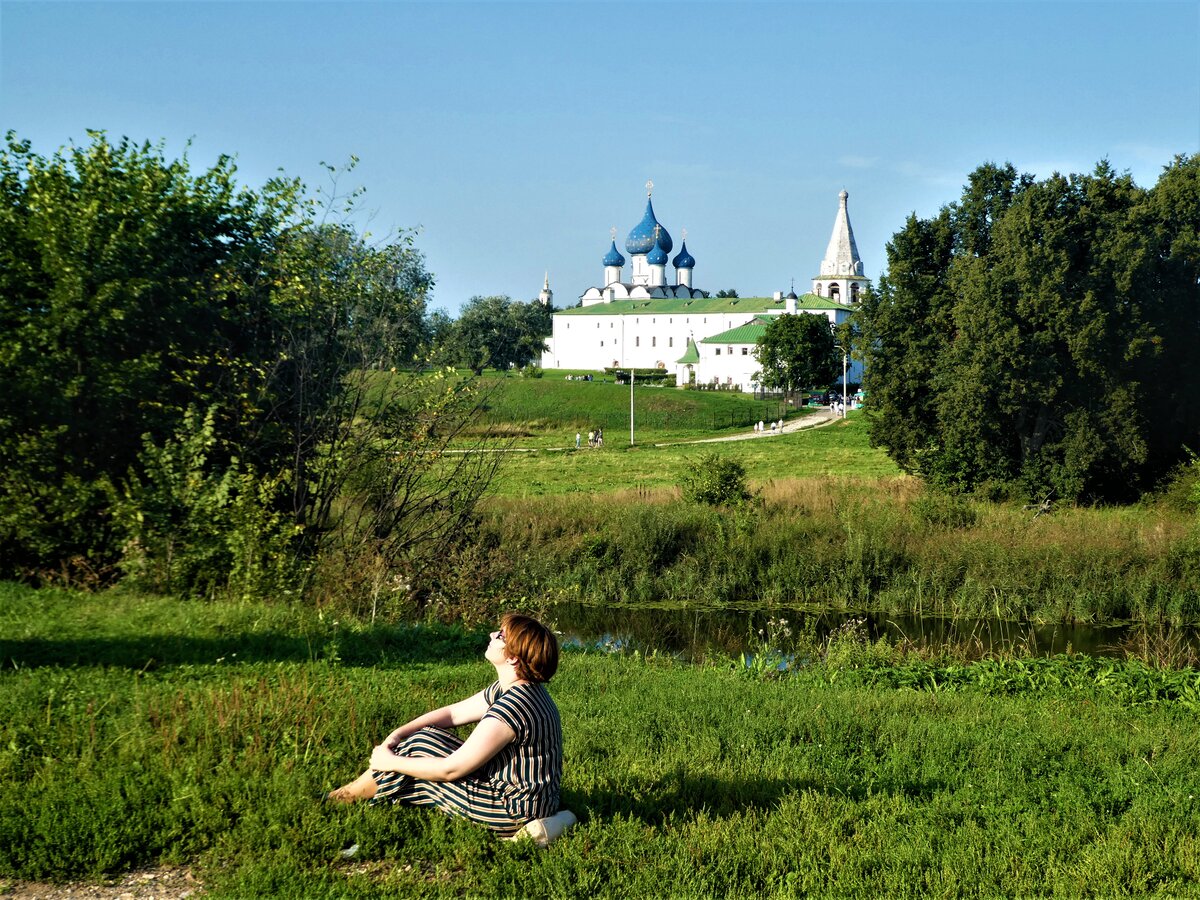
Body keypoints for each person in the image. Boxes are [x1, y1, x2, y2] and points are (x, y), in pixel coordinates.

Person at [327, 613, 563, 838]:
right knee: (423, 740)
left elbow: (451, 770)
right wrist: (397, 734)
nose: (492, 635)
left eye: (500, 636)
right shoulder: (518, 689)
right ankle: (363, 792)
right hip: (537, 802)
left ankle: (343, 798)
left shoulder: (513, 707)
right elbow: (452, 713)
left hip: (512, 812)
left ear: (512, 657)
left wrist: (388, 760)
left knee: (417, 749)